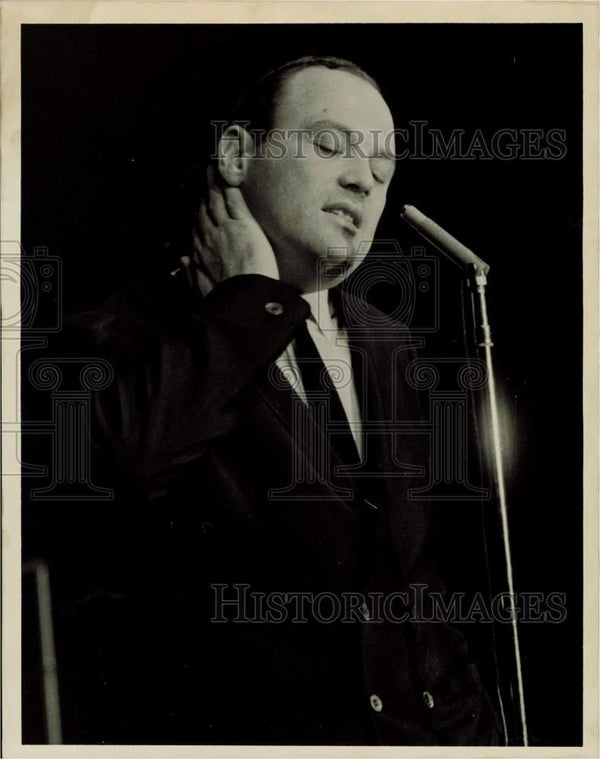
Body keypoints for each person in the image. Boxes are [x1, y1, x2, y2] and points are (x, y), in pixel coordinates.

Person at [55, 56, 501, 745]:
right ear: (237, 153)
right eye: (330, 145)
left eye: (383, 172)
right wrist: (244, 310)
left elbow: (424, 596)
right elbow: (125, 472)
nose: (362, 178)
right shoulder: (118, 333)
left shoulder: (394, 347)